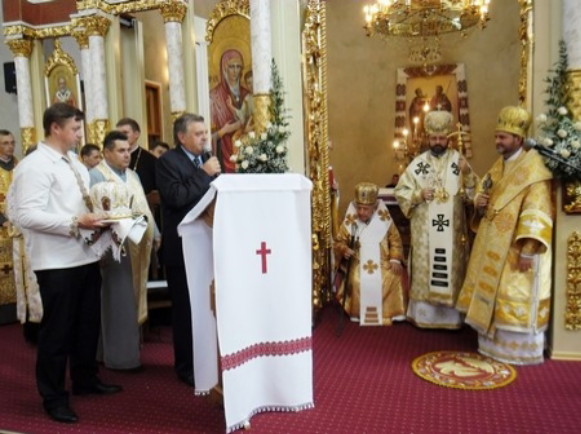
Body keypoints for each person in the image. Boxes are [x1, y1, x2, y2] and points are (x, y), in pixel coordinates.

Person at [9, 103, 121, 424]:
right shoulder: (34, 166)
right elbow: (27, 214)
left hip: (84, 255)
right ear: (55, 128)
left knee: (87, 325)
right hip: (56, 262)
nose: (79, 135)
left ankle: (85, 379)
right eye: (74, 128)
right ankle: (53, 396)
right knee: (57, 332)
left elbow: (80, 204)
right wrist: (76, 221)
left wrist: (104, 218)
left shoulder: (74, 161)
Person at [456, 106, 553, 365]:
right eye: (497, 136)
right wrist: (479, 200)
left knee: (512, 292)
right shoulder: (500, 165)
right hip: (493, 242)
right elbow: (482, 188)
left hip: (515, 248)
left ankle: (516, 351)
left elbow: (538, 210)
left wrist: (528, 249)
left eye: (503, 137)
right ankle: (489, 344)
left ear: (519, 139)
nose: (497, 141)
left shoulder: (535, 170)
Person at [394, 110, 478, 329]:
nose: (437, 142)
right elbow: (401, 191)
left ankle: (452, 318)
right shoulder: (418, 163)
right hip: (425, 234)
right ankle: (424, 317)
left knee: (451, 268)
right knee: (427, 267)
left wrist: (468, 173)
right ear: (427, 137)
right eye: (434, 138)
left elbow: (473, 196)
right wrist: (419, 195)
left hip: (452, 233)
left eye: (442, 138)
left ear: (448, 138)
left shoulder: (459, 162)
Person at [156, 113, 221, 386]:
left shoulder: (209, 160)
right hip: (181, 249)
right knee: (186, 309)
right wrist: (203, 174)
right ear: (182, 137)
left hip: (209, 245)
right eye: (198, 133)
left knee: (208, 307)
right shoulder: (168, 162)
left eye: (205, 132)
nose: (205, 137)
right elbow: (176, 197)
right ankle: (186, 366)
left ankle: (210, 359)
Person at [89, 131, 154, 371]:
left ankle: (125, 351)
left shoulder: (132, 175)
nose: (127, 154)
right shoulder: (96, 175)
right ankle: (118, 356)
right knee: (116, 300)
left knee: (131, 296)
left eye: (128, 150)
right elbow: (93, 211)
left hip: (137, 244)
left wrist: (155, 234)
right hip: (112, 247)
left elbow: (143, 207)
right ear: (106, 152)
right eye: (121, 150)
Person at [335, 182, 406, 325]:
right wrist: (344, 249)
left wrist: (395, 259)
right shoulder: (350, 221)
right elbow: (338, 242)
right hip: (358, 262)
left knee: (394, 276)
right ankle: (357, 312)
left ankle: (391, 313)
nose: (361, 212)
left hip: (383, 262)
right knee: (357, 280)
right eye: (359, 208)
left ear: (374, 208)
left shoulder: (384, 220)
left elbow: (395, 240)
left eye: (366, 209)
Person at [210, 49, 250, 173]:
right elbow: (208, 134)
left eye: (238, 67)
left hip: (246, 152)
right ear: (224, 68)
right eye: (231, 66)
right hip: (223, 152)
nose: (235, 71)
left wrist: (242, 126)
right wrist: (224, 131)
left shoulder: (247, 94)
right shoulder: (214, 96)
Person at [0, 130, 18, 323]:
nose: (10, 147)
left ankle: (17, 310)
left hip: (19, 228)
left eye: (12, 143)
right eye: (5, 143)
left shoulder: (20, 166)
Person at [116, 118, 157, 195]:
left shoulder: (151, 160)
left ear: (136, 134)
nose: (121, 136)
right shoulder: (113, 159)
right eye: (118, 134)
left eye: (125, 133)